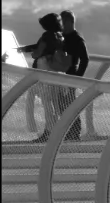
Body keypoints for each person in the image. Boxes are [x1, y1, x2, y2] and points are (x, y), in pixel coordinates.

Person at [26, 13, 74, 141]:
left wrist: (31, 53)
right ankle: (56, 132)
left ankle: (48, 133)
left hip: (45, 71)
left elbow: (38, 52)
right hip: (56, 74)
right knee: (55, 105)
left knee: (47, 105)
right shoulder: (60, 36)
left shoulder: (46, 36)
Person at [58, 10, 90, 140]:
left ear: (70, 22)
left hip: (71, 76)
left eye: (63, 22)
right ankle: (66, 132)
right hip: (59, 76)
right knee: (61, 105)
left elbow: (85, 59)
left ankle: (75, 133)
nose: (61, 25)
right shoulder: (60, 37)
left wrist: (77, 77)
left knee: (70, 105)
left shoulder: (77, 39)